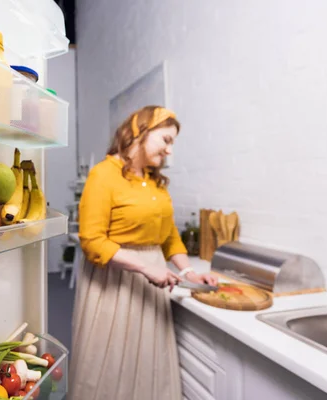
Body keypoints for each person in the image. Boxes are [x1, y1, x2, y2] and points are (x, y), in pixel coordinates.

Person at [68, 105, 218, 399]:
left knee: (150, 364)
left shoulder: (154, 181)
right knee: (108, 365)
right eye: (166, 140)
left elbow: (169, 236)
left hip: (154, 277)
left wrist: (188, 272)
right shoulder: (103, 174)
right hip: (114, 282)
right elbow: (92, 241)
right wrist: (146, 267)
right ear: (141, 132)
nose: (169, 151)